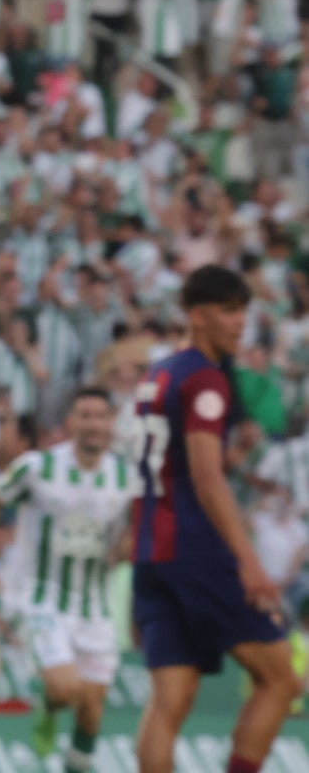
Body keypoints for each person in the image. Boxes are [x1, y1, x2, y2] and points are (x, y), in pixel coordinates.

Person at [130, 265, 298, 773]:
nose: (240, 322)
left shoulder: (159, 373)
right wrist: (247, 560)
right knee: (281, 680)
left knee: (170, 701)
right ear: (198, 316)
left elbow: (165, 466)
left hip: (151, 551)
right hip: (195, 549)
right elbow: (205, 477)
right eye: (229, 311)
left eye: (244, 310)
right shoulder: (205, 378)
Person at [0, 388, 137, 772]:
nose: (94, 424)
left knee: (91, 711)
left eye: (100, 415)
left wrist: (125, 548)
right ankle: (48, 703)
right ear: (70, 423)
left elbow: (133, 530)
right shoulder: (36, 467)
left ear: (111, 423)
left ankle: (75, 764)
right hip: (41, 598)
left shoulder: (125, 476)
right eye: (85, 415)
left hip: (95, 605)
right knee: (66, 688)